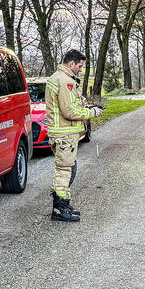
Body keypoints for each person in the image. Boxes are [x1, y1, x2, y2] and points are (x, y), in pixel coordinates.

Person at [45, 50, 102, 222]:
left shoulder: (62, 79)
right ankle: (60, 209)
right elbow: (69, 111)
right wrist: (90, 112)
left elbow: (69, 104)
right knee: (64, 171)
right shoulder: (64, 81)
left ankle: (63, 205)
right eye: (79, 65)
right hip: (64, 135)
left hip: (64, 134)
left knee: (68, 169)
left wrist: (83, 104)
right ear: (71, 64)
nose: (80, 69)